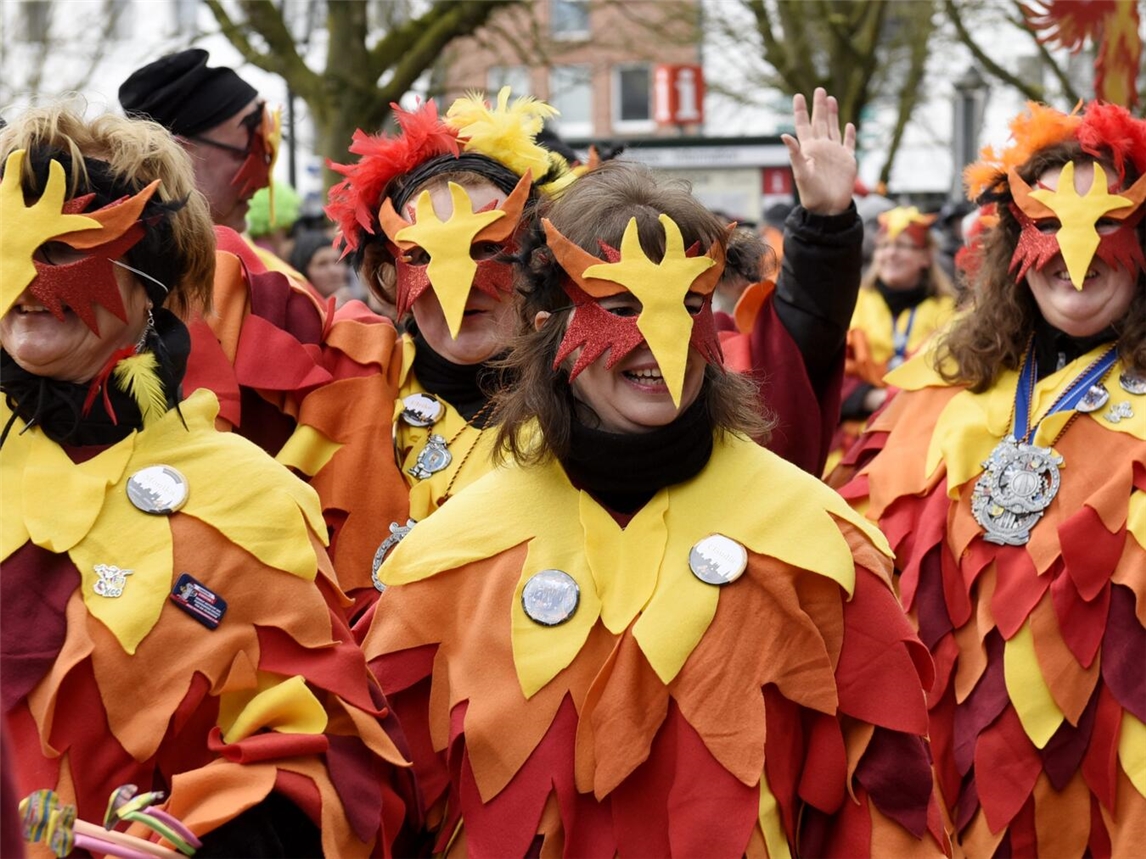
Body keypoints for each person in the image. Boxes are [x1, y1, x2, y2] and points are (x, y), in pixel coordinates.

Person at [359, 157, 947, 856]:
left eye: (689, 307)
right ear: (549, 328)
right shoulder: (447, 558)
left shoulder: (818, 545)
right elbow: (388, 798)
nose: (659, 341)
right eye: (619, 309)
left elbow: (885, 803)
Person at [0, 103, 410, 857]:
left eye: (61, 250)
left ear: (148, 281)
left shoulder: (246, 497)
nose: (25, 278)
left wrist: (213, 835)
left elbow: (316, 743)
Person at [836, 101, 1146, 855]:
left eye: (1109, 224)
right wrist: (822, 236)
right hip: (943, 773)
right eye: (1049, 224)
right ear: (1013, 241)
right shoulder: (942, 383)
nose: (1078, 253)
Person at [825, 205, 957, 475]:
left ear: (925, 257)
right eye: (884, 245)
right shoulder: (848, 303)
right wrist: (866, 397)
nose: (891, 253)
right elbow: (825, 367)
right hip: (851, 441)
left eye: (902, 246)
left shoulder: (950, 312)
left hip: (920, 439)